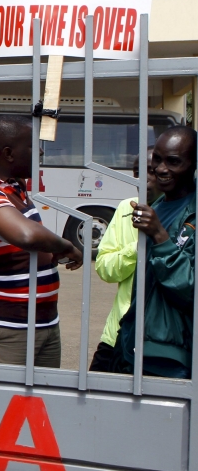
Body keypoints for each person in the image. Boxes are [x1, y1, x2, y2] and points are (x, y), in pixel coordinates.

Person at [0, 116, 82, 368]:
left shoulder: (14, 187)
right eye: (31, 145)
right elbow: (26, 235)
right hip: (4, 329)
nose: (39, 151)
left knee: (40, 406)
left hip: (44, 323)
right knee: (3, 406)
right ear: (8, 153)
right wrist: (66, 246)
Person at [112, 126, 198, 379]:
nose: (161, 169)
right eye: (157, 159)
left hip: (174, 353)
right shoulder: (159, 204)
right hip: (137, 343)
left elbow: (190, 290)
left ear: (193, 164)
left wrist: (160, 236)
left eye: (173, 162)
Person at [91, 150, 158, 372]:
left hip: (162, 340)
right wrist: (137, 246)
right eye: (138, 173)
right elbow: (105, 269)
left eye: (152, 171)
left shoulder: (186, 213)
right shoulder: (126, 209)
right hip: (118, 334)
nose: (144, 179)